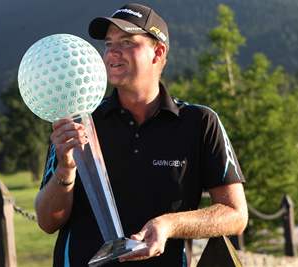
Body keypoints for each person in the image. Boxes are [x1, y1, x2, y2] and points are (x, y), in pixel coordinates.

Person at [34, 3, 248, 266]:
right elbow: (47, 221)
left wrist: (169, 224)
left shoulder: (200, 122)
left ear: (157, 53)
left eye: (126, 41)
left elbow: (235, 215)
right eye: (109, 43)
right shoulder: (79, 122)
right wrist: (66, 170)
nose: (112, 51)